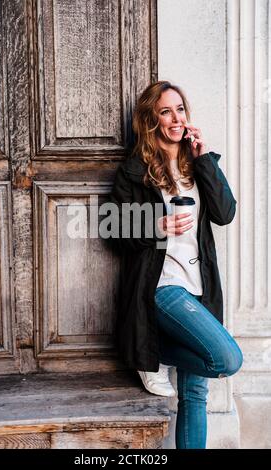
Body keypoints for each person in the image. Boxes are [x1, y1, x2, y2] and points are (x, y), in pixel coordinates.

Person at [108, 80, 243, 449]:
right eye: (165, 111)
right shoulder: (135, 171)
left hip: (200, 287)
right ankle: (148, 353)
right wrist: (157, 226)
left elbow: (225, 213)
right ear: (151, 120)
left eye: (180, 109)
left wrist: (203, 160)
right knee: (227, 358)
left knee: (195, 393)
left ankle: (151, 348)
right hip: (163, 286)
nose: (176, 118)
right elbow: (111, 226)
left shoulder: (199, 164)